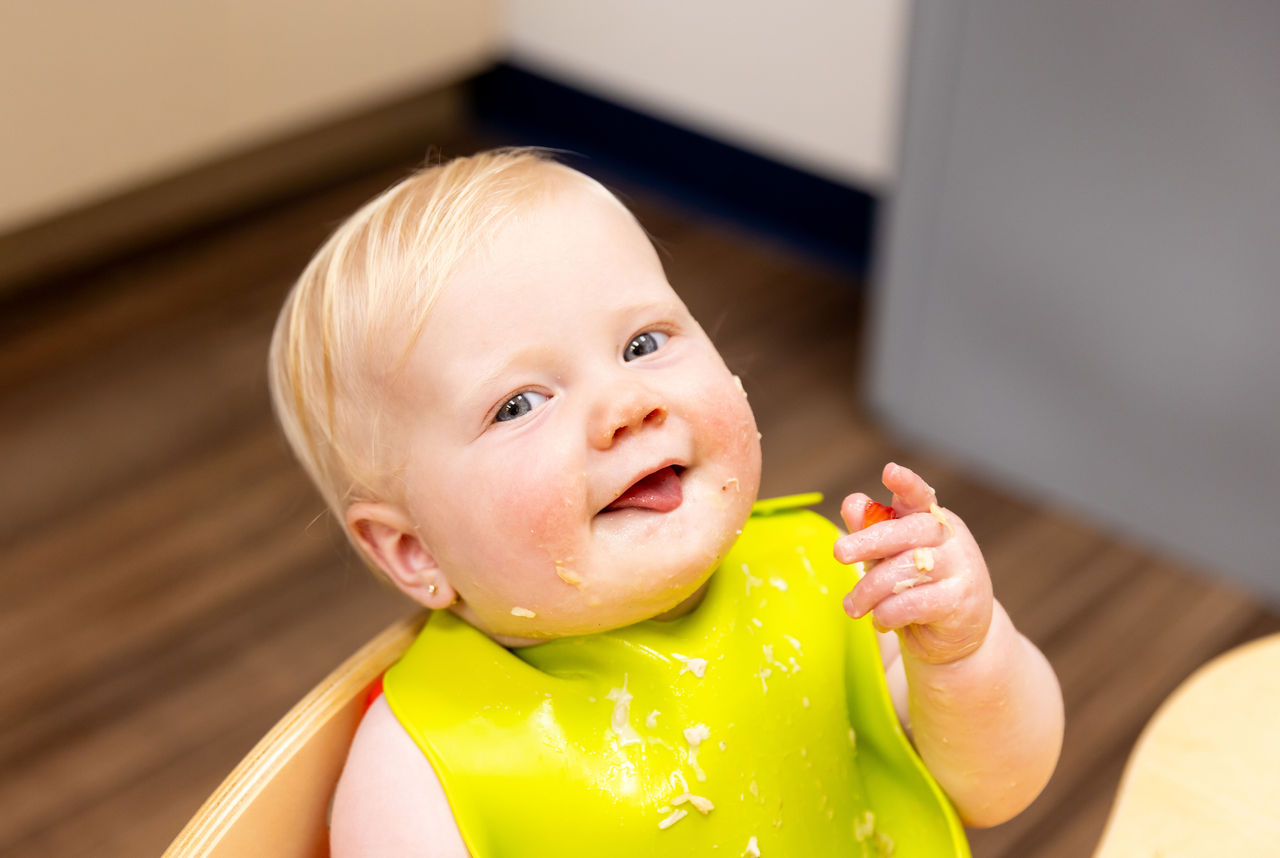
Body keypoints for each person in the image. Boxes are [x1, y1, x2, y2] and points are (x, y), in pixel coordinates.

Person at [268, 148, 1064, 857]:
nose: (626, 402)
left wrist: (962, 652)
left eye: (643, 344)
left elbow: (1000, 788)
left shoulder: (830, 584)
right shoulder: (420, 768)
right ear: (415, 551)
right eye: (519, 403)